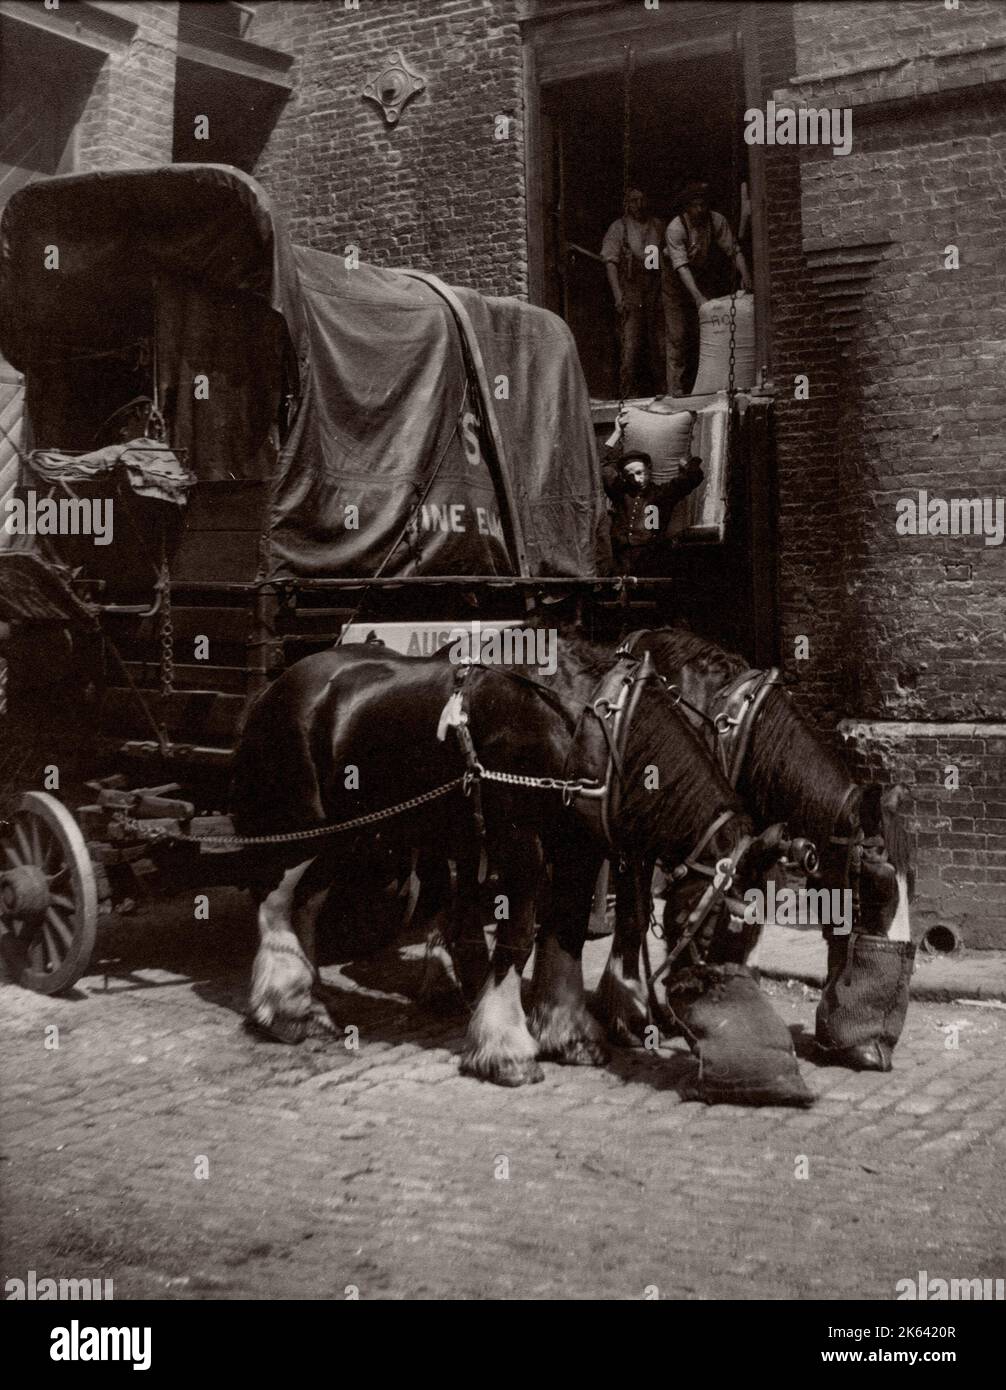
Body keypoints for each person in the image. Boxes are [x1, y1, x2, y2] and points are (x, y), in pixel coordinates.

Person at [663, 181, 752, 396]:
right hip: (676, 286)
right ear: (686, 207)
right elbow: (681, 267)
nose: (700, 210)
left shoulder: (716, 220)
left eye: (703, 205)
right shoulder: (676, 228)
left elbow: (733, 250)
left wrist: (746, 275)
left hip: (700, 279)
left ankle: (705, 386)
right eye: (695, 206)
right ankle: (676, 391)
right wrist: (698, 297)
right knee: (678, 337)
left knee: (707, 334)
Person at [602, 411, 703, 575]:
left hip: (651, 560)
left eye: (640, 472)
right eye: (630, 476)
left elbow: (693, 477)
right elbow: (605, 467)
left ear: (649, 470)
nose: (636, 479)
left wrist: (688, 463)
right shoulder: (620, 492)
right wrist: (617, 433)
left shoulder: (662, 494)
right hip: (620, 561)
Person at [601, 188, 669, 399]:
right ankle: (628, 397)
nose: (639, 205)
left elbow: (667, 258)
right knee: (630, 348)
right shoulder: (618, 228)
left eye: (642, 199)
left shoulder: (657, 226)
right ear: (627, 204)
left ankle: (663, 394)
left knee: (659, 346)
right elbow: (610, 263)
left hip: (654, 292)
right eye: (634, 201)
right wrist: (618, 296)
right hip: (630, 292)